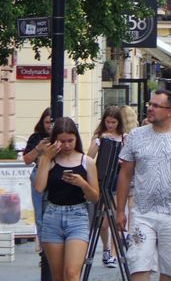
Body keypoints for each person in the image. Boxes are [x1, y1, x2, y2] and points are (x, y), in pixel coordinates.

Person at [116, 89, 171, 281]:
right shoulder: (135, 136)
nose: (150, 108)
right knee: (138, 265)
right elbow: (125, 175)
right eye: (150, 104)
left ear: (170, 111)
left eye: (156, 105)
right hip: (142, 212)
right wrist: (120, 211)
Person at [34, 117, 101, 281]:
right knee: (57, 276)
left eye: (70, 140)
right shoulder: (50, 160)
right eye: (61, 141)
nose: (66, 145)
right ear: (55, 141)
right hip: (52, 216)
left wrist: (82, 184)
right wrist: (45, 158)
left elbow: (95, 197)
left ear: (76, 138)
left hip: (77, 216)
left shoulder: (87, 162)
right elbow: (39, 188)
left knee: (71, 273)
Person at [87, 106, 126, 268]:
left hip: (117, 179)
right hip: (102, 179)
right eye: (108, 122)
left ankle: (114, 254)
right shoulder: (99, 136)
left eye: (113, 122)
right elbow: (89, 157)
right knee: (103, 221)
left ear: (119, 122)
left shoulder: (124, 138)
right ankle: (106, 249)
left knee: (116, 216)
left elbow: (128, 160)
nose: (110, 125)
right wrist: (99, 142)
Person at [22, 108, 53, 247]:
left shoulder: (62, 137)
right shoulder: (36, 137)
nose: (49, 126)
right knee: (40, 216)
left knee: (52, 213)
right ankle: (43, 250)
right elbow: (27, 160)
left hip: (55, 175)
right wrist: (38, 148)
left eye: (52, 122)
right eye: (47, 122)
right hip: (38, 173)